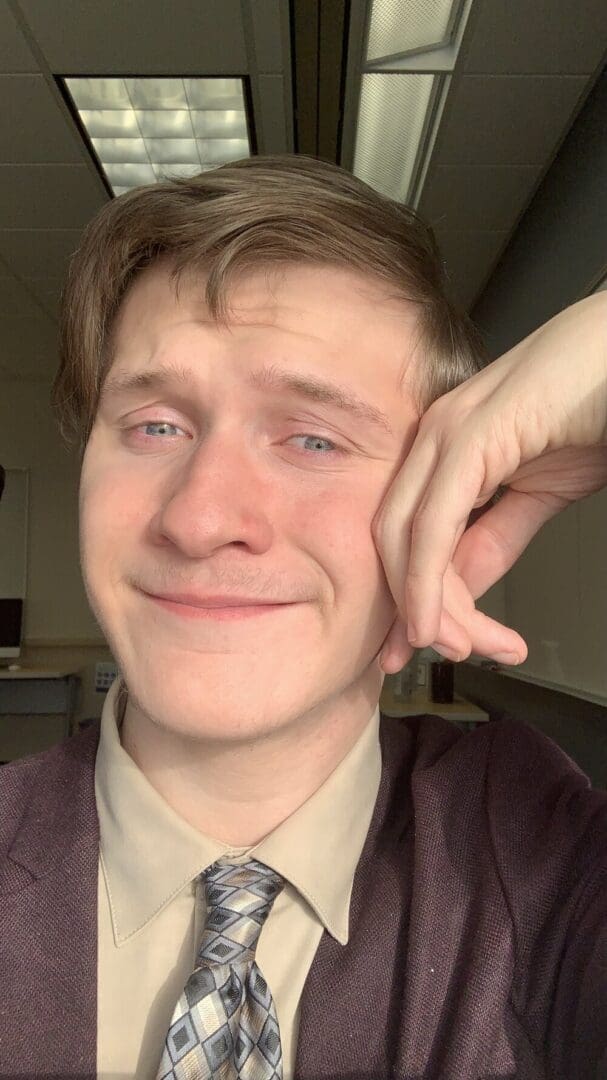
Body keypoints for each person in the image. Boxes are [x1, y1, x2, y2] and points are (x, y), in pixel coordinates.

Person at [0, 154, 605, 1080]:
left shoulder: (541, 855)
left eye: (314, 438)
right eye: (157, 425)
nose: (200, 519)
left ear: (450, 502)